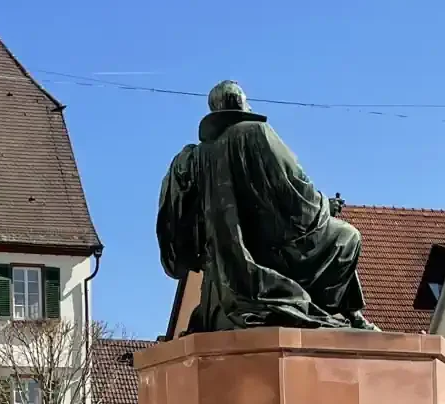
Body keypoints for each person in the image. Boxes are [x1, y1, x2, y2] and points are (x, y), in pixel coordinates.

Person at [157, 81, 374, 334]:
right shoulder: (256, 132)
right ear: (240, 103)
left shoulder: (195, 156)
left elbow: (175, 215)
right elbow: (293, 187)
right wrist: (326, 204)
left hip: (223, 254)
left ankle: (348, 314)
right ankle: (345, 312)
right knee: (347, 237)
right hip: (273, 249)